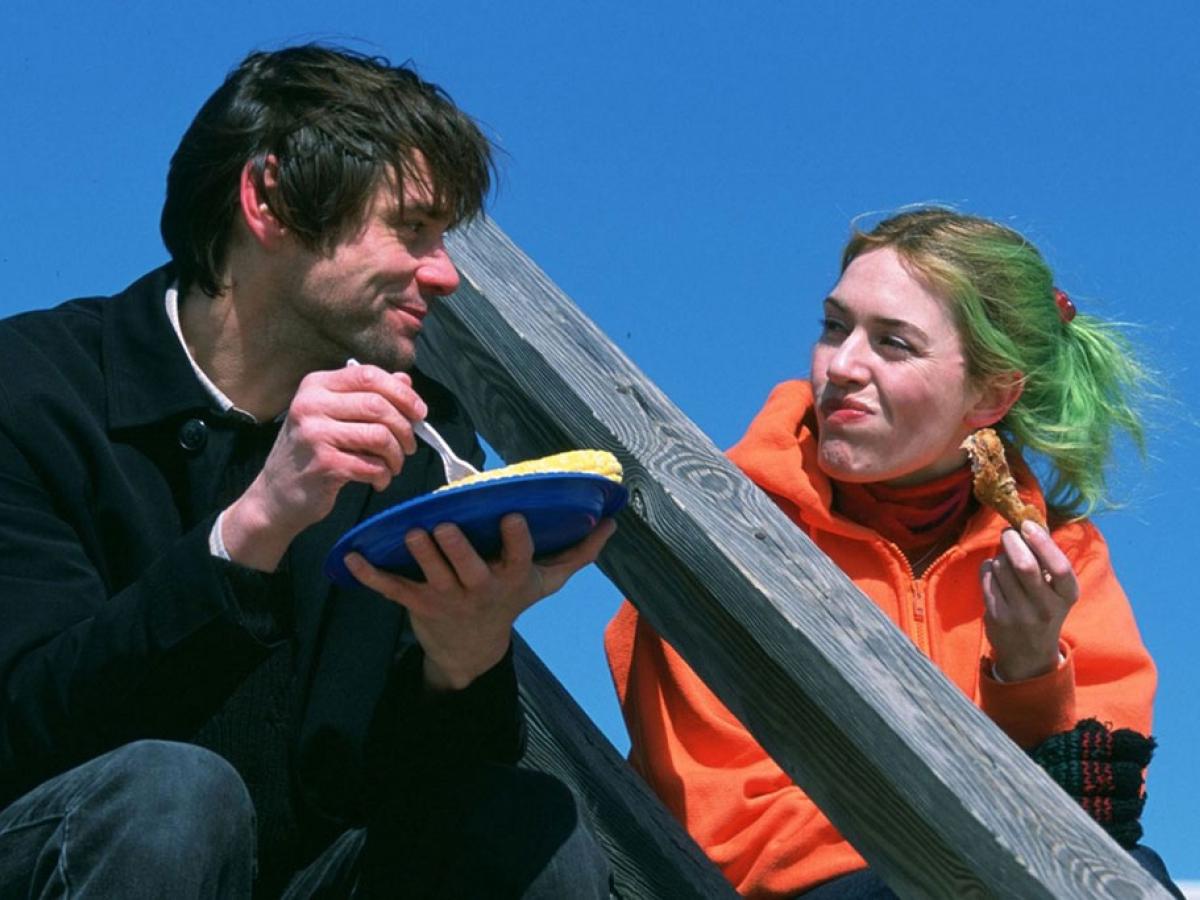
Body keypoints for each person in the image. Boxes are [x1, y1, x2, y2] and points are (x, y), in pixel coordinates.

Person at [0, 45, 616, 898]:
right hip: (70, 853)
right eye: (412, 229)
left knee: (526, 824)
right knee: (173, 797)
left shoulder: (418, 432)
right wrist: (251, 527)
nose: (445, 273)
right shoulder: (28, 388)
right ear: (271, 199)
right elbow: (23, 733)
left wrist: (461, 657)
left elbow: (427, 794)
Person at [605, 207, 1185, 898]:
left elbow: (1097, 822)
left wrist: (1029, 675)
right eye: (833, 327)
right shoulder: (714, 524)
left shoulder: (1065, 558)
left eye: (894, 344)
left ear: (992, 395)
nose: (842, 366)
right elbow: (726, 824)